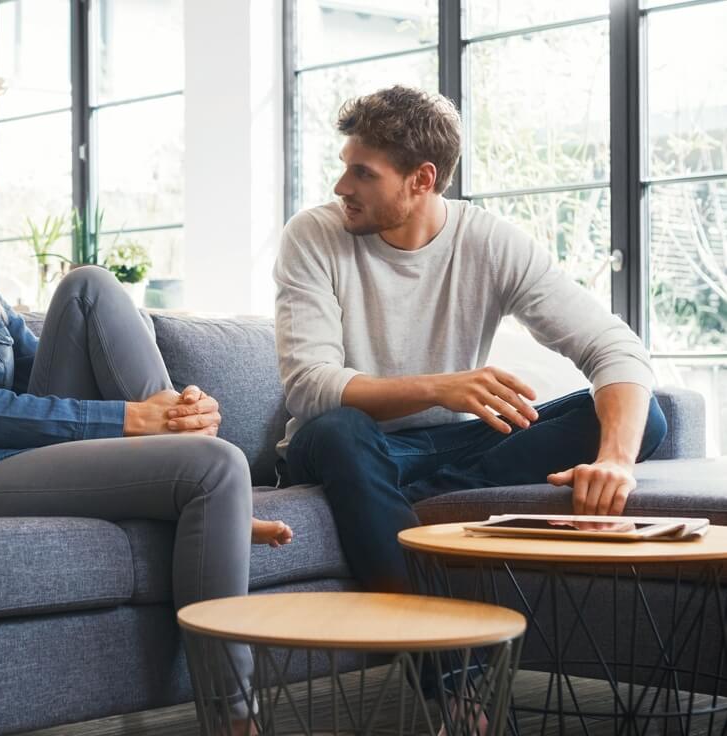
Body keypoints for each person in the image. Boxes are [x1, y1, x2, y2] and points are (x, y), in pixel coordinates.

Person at [0, 110, 290, 727]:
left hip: (6, 454)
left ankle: (198, 476)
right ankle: (234, 718)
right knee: (217, 467)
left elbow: (44, 375)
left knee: (89, 284)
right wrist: (131, 420)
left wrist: (172, 412)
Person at [274, 86, 667, 594]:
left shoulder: (489, 242)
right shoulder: (311, 236)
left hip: (443, 452)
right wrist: (440, 388)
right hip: (338, 445)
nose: (341, 186)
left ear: (422, 179)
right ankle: (440, 643)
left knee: (645, 416)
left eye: (363, 173)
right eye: (346, 166)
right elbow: (308, 386)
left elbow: (614, 348)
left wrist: (614, 461)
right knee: (341, 429)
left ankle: (404, 498)